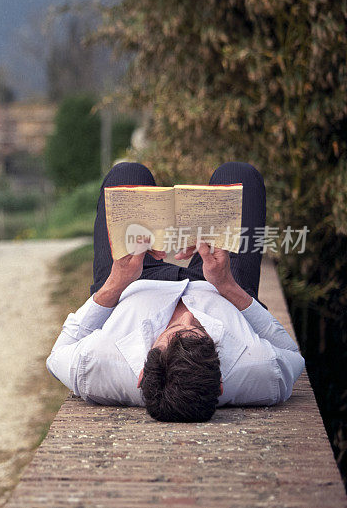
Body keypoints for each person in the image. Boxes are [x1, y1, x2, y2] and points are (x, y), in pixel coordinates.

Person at [46, 162, 305, 422]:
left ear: (141, 374)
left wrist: (116, 282)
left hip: (134, 283)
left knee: (127, 176)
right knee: (239, 176)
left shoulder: (96, 366)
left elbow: (57, 354)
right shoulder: (260, 371)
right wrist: (227, 285)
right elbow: (293, 354)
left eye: (172, 331)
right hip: (220, 288)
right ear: (221, 384)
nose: (187, 317)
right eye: (200, 332)